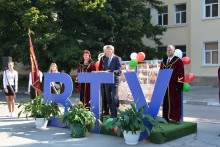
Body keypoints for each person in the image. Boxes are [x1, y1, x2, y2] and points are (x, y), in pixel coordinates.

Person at [160, 45, 184, 125]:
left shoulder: (178, 61)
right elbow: (161, 72)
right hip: (165, 85)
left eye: (170, 50)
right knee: (166, 102)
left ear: (173, 51)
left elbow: (181, 73)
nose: (168, 51)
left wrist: (179, 84)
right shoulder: (164, 61)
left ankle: (177, 118)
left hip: (174, 86)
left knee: (175, 102)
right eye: (167, 50)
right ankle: (165, 118)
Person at [104, 45, 122, 118]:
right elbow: (104, 70)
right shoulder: (105, 59)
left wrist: (110, 71)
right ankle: (112, 113)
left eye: (109, 51)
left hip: (114, 81)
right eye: (106, 51)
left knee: (114, 98)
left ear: (113, 51)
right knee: (108, 99)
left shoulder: (117, 58)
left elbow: (119, 70)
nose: (107, 52)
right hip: (107, 81)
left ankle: (114, 116)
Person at [99, 45, 109, 116]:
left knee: (109, 95)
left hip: (111, 79)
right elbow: (100, 67)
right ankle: (105, 110)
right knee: (103, 95)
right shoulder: (102, 58)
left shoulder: (113, 57)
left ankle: (110, 109)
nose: (106, 51)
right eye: (105, 50)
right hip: (103, 79)